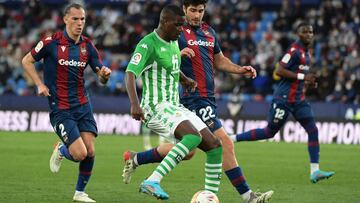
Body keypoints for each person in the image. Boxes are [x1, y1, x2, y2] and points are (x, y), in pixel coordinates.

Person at [122, 1, 274, 203]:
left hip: (199, 99)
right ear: (183, 10)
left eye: (200, 11)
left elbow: (215, 61)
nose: (196, 15)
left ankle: (138, 159)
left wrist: (238, 70)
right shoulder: (169, 35)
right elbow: (136, 69)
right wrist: (135, 103)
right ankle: (248, 197)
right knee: (221, 142)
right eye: (192, 10)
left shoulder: (205, 33)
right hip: (185, 101)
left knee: (200, 148)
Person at [125, 4, 223, 200]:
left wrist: (185, 80)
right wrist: (135, 104)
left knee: (214, 145)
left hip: (174, 105)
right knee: (193, 137)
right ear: (164, 22)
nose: (181, 29)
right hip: (155, 107)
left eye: (182, 25)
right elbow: (130, 73)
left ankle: (209, 197)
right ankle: (152, 181)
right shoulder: (148, 44)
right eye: (178, 25)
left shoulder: (173, 41)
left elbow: (171, 67)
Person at [22, 3, 111, 202]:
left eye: (83, 19)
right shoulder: (50, 43)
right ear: (65, 20)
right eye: (75, 19)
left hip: (82, 104)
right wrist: (39, 84)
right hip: (60, 107)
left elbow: (101, 76)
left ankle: (80, 193)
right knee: (79, 153)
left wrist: (105, 75)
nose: (80, 23)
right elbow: (26, 60)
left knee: (90, 151)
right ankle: (61, 149)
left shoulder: (87, 45)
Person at [230, 22, 335, 183]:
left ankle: (315, 171)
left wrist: (307, 82)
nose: (309, 35)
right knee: (269, 132)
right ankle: (232, 138)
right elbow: (279, 71)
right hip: (283, 99)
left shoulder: (307, 53)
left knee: (313, 130)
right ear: (298, 34)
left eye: (311, 32)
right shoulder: (294, 51)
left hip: (299, 100)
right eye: (305, 32)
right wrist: (303, 77)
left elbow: (297, 76)